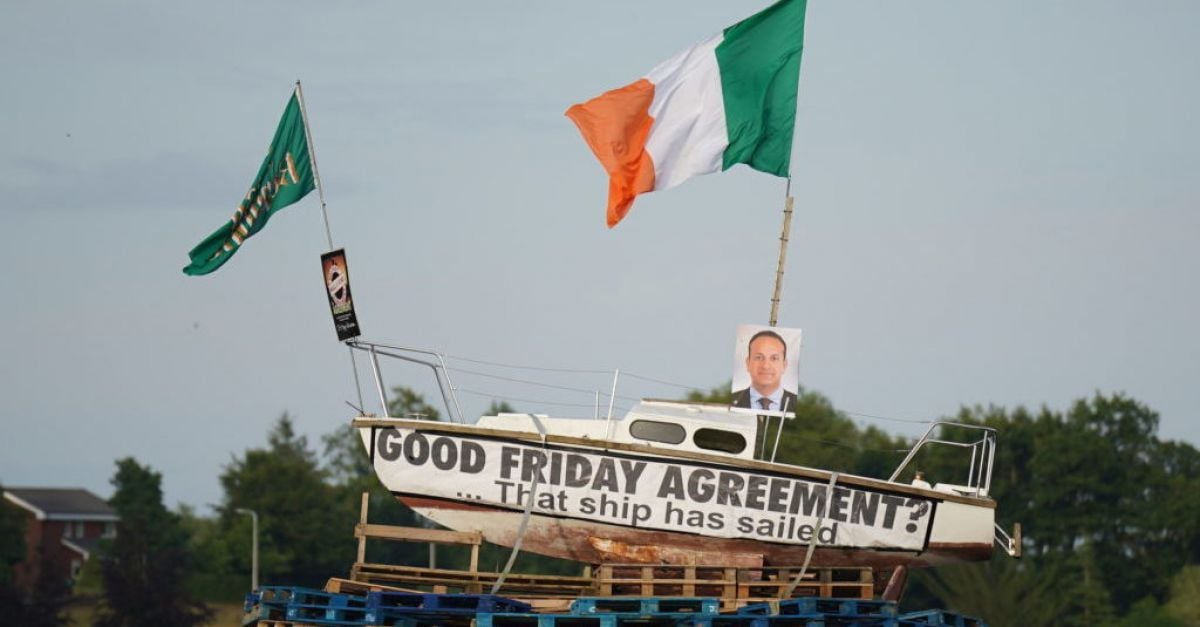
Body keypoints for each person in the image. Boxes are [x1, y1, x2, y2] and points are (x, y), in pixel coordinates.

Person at [732, 330, 798, 413]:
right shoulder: (731, 401)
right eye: (759, 357)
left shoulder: (799, 404)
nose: (766, 366)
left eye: (774, 358)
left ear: (784, 365)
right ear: (748, 363)